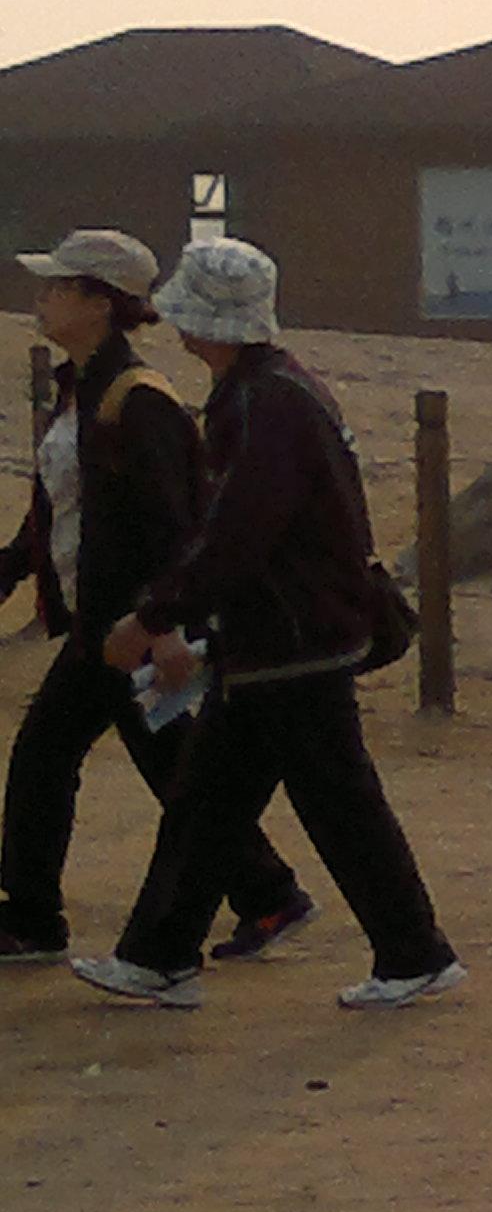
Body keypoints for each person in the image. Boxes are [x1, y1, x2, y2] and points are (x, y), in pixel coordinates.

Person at [66, 238, 465, 1010]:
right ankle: (160, 956)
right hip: (280, 638)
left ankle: (414, 953)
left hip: (292, 641)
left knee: (334, 804)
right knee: (209, 802)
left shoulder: (262, 405)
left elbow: (238, 533)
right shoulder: (274, 392)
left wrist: (154, 615)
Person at [1, 232, 312, 964]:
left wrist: (162, 623)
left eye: (58, 287)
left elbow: (176, 524)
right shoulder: (84, 387)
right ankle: (265, 893)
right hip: (104, 622)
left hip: (128, 625)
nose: (42, 298)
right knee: (151, 765)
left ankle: (39, 919)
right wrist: (12, 568)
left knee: (72, 757)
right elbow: (61, 506)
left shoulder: (138, 400)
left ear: (98, 303)